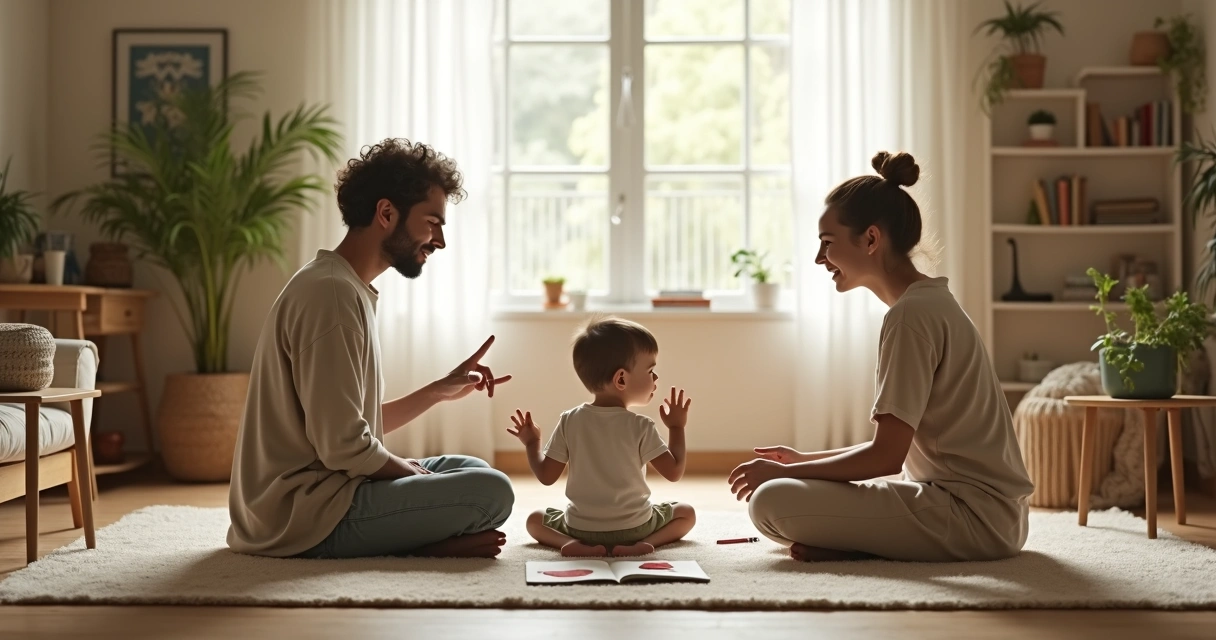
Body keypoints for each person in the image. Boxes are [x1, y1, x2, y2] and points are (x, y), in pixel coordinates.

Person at [729, 151, 1034, 563]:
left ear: (871, 239)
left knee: (770, 501)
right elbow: (893, 448)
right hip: (984, 513)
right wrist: (805, 459)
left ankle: (863, 547)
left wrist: (788, 473)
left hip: (973, 519)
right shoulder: (928, 302)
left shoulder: (911, 316)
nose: (820, 259)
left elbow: (886, 456)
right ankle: (864, 546)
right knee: (783, 493)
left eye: (827, 243)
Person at [227, 138, 515, 559]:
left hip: (328, 489)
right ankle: (426, 546)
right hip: (302, 514)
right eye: (432, 222)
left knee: (473, 470)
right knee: (494, 491)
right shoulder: (331, 295)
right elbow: (344, 446)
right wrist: (413, 475)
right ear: (386, 213)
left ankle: (424, 534)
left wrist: (438, 390)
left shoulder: (344, 286)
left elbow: (348, 426)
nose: (439, 241)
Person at [505, 316, 697, 557]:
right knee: (686, 513)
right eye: (651, 370)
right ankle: (648, 544)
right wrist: (677, 427)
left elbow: (546, 476)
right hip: (636, 528)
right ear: (621, 379)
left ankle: (567, 544)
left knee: (534, 520)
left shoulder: (569, 420)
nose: (655, 378)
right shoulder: (641, 426)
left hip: (580, 528)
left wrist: (532, 443)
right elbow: (674, 472)